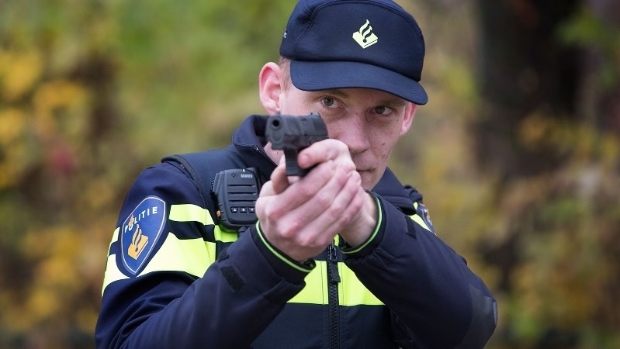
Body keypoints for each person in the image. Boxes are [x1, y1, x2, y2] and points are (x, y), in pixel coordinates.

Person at [95, 0, 498, 348]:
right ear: (273, 90)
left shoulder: (397, 213)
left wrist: (365, 223)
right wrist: (269, 255)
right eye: (329, 101)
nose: (355, 141)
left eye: (382, 110)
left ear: (407, 117)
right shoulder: (186, 194)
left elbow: (472, 328)